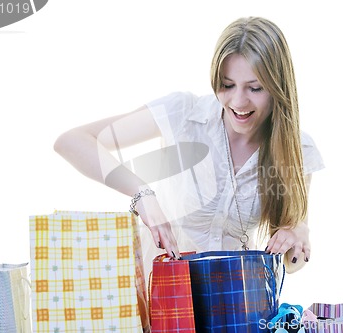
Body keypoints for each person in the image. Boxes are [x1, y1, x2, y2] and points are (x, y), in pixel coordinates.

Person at [54, 16, 324, 274]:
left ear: (278, 88)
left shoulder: (298, 148)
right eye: (227, 85)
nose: (238, 102)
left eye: (255, 88)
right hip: (162, 302)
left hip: (230, 306)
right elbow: (71, 142)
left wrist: (299, 233)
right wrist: (143, 195)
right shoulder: (184, 114)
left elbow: (292, 263)